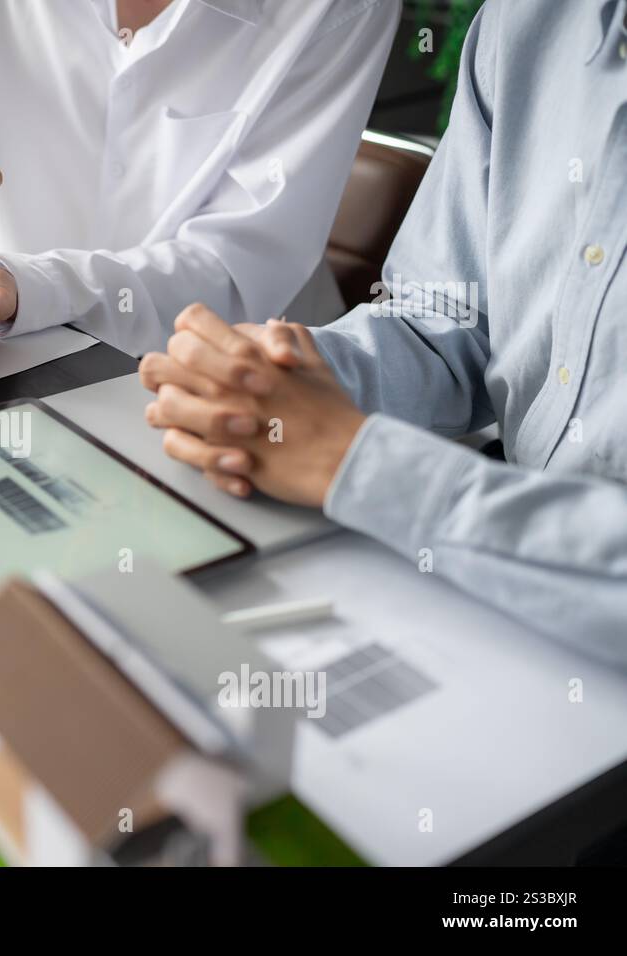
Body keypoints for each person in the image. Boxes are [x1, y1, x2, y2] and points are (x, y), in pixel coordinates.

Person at [140, 0, 627, 665]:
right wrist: (284, 381)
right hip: (483, 600)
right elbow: (443, 319)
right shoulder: (526, 22)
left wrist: (356, 464)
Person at [0, 0, 399, 369]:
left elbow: (236, 272)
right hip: (25, 351)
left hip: (240, 378)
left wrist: (30, 287)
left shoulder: (335, 9)